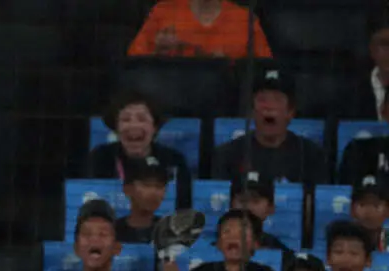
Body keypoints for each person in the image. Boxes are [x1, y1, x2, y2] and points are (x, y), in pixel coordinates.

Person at [210, 68, 328, 187]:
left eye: (277, 100)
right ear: (252, 111)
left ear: (290, 112)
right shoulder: (227, 155)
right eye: (262, 100)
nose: (269, 107)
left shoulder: (310, 156)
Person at [86, 91, 191, 210]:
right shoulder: (100, 157)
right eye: (126, 119)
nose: (134, 125)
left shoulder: (173, 160)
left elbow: (184, 207)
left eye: (142, 119)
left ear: (154, 127)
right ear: (116, 128)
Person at [49, 200, 155, 271]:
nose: (94, 240)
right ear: (76, 248)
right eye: (87, 234)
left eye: (103, 234)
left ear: (117, 247)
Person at [127, 0, 272, 60]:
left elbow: (264, 73)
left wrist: (230, 67)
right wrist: (158, 53)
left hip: (227, 101)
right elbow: (133, 66)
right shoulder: (163, 11)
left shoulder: (245, 19)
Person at [229, 170, 290, 254]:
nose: (248, 207)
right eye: (242, 200)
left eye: (255, 201)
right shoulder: (214, 250)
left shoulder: (281, 254)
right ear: (231, 206)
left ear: (271, 208)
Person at [115, 156, 172, 245]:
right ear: (127, 189)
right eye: (147, 185)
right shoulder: (110, 231)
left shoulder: (172, 232)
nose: (153, 192)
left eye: (159, 186)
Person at [349, 175, 389, 252]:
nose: (369, 211)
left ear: (388, 211)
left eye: (376, 205)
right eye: (362, 204)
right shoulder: (342, 244)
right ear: (352, 210)